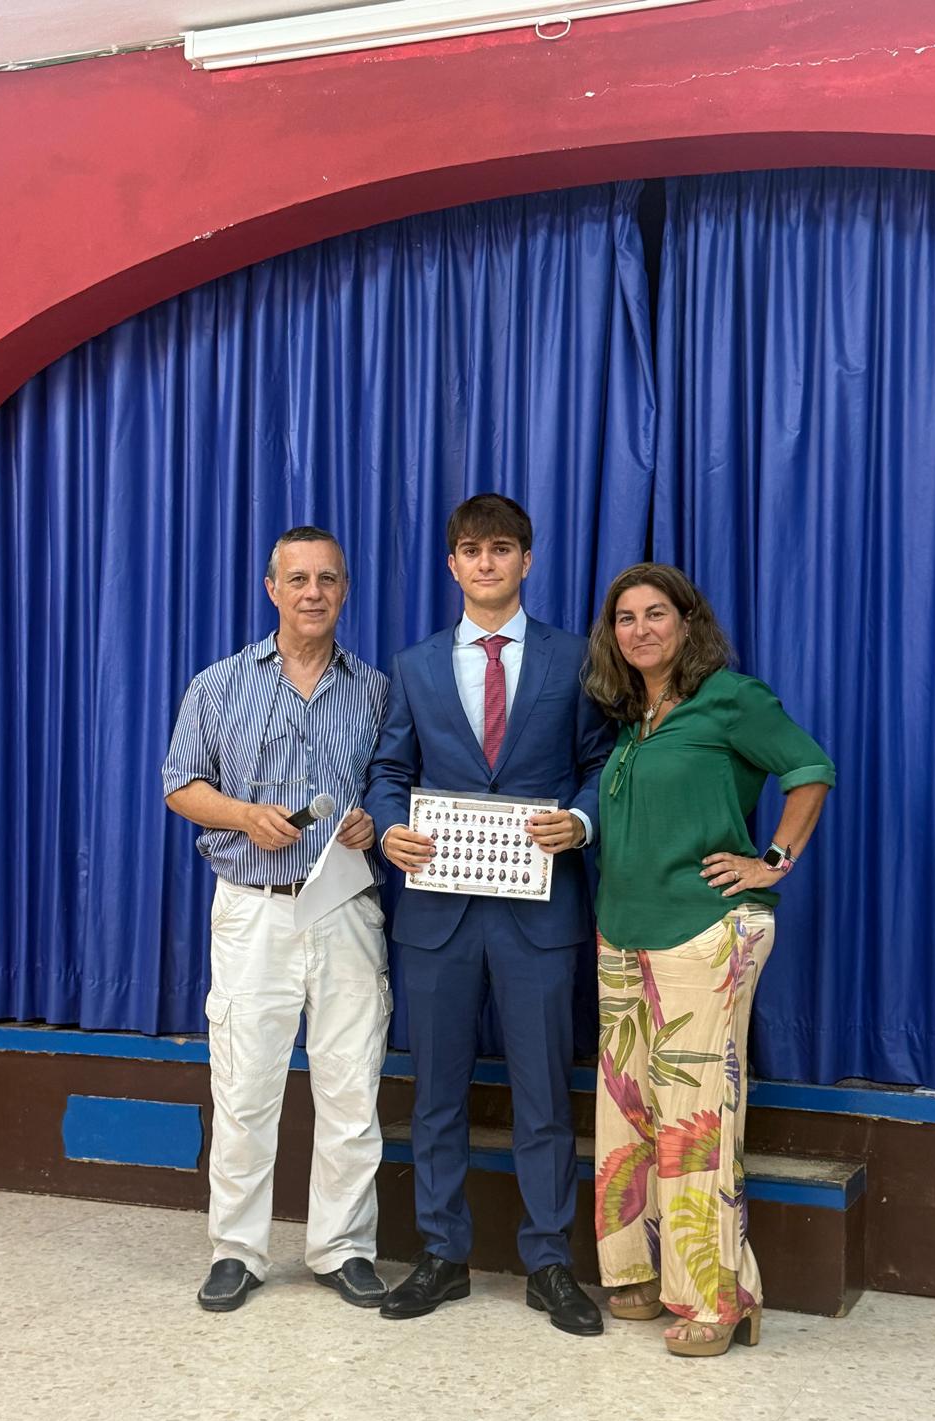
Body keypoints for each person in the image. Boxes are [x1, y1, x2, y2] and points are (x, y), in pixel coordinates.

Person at [366, 493, 615, 1336]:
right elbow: (389, 769)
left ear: (525, 560)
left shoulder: (574, 658)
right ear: (452, 565)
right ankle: (443, 1254)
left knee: (543, 1094)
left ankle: (549, 1263)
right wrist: (390, 826)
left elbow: (601, 763)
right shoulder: (415, 665)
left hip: (539, 914)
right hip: (437, 913)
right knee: (436, 1093)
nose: (486, 562)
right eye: (471, 551)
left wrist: (580, 821)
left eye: (501, 549)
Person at [584, 563, 834, 1357]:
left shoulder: (731, 698)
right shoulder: (634, 717)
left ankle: (721, 1299)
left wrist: (772, 861)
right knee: (626, 1109)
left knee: (697, 1119)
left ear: (688, 622)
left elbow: (810, 770)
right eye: (625, 618)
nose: (640, 629)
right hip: (623, 932)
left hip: (706, 932)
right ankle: (637, 1271)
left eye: (656, 613)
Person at [163, 527, 392, 1314]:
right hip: (253, 909)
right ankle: (236, 1251)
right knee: (245, 1085)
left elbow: (394, 787)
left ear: (345, 589)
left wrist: (374, 820)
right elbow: (180, 783)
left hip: (346, 908)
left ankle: (343, 1248)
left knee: (351, 1086)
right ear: (272, 589)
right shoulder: (218, 684)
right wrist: (241, 815)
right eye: (298, 579)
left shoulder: (375, 692)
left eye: (328, 578)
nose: (313, 593)